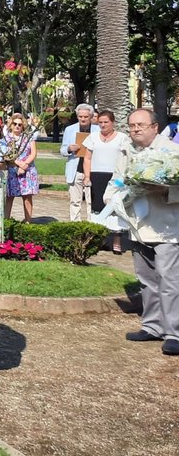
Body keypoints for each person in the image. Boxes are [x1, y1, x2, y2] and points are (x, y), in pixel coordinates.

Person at [104, 108, 179, 356]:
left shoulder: (172, 152)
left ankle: (174, 333)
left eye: (141, 125)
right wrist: (112, 197)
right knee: (146, 280)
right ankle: (152, 325)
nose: (135, 129)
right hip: (137, 226)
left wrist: (163, 190)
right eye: (132, 125)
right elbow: (117, 179)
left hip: (167, 228)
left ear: (155, 127)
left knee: (169, 281)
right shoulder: (126, 151)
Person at [82, 110, 130, 254]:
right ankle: (100, 240)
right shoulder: (93, 137)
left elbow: (127, 158)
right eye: (100, 122)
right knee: (98, 208)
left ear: (113, 122)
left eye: (106, 122)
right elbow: (87, 158)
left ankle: (116, 241)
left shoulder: (122, 138)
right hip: (97, 176)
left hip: (116, 178)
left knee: (115, 207)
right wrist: (87, 176)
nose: (103, 125)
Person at [60, 104, 99, 221]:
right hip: (75, 169)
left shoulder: (97, 130)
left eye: (86, 117)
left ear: (91, 117)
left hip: (92, 170)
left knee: (91, 201)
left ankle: (91, 224)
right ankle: (75, 225)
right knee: (75, 201)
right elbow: (62, 150)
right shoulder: (70, 129)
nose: (82, 119)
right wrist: (69, 149)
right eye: (80, 116)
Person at [5, 113, 39, 223]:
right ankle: (6, 220)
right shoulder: (6, 139)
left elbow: (33, 153)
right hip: (12, 169)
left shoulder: (29, 137)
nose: (17, 126)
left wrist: (25, 165)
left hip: (28, 170)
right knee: (9, 197)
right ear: (11, 125)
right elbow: (7, 155)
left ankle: (28, 221)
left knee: (27, 197)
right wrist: (19, 164)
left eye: (20, 124)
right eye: (15, 124)